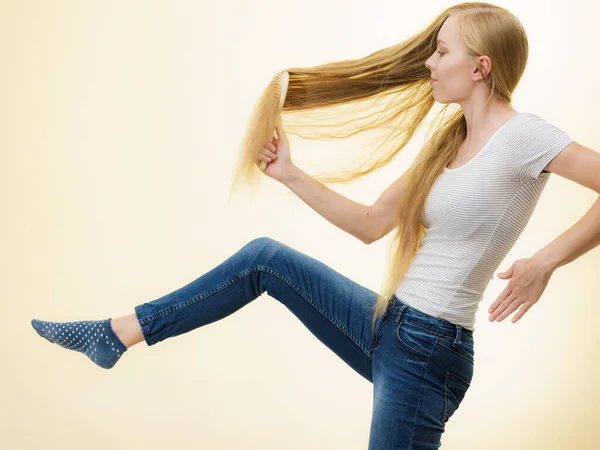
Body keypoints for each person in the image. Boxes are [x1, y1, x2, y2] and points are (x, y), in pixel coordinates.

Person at [31, 3, 600, 449]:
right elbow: (372, 223)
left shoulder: (523, 136)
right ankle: (117, 333)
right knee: (264, 259)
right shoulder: (448, 141)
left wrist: (546, 259)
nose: (429, 62)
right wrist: (289, 174)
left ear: (480, 67)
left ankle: (114, 335)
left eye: (441, 51)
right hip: (390, 325)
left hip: (430, 350)